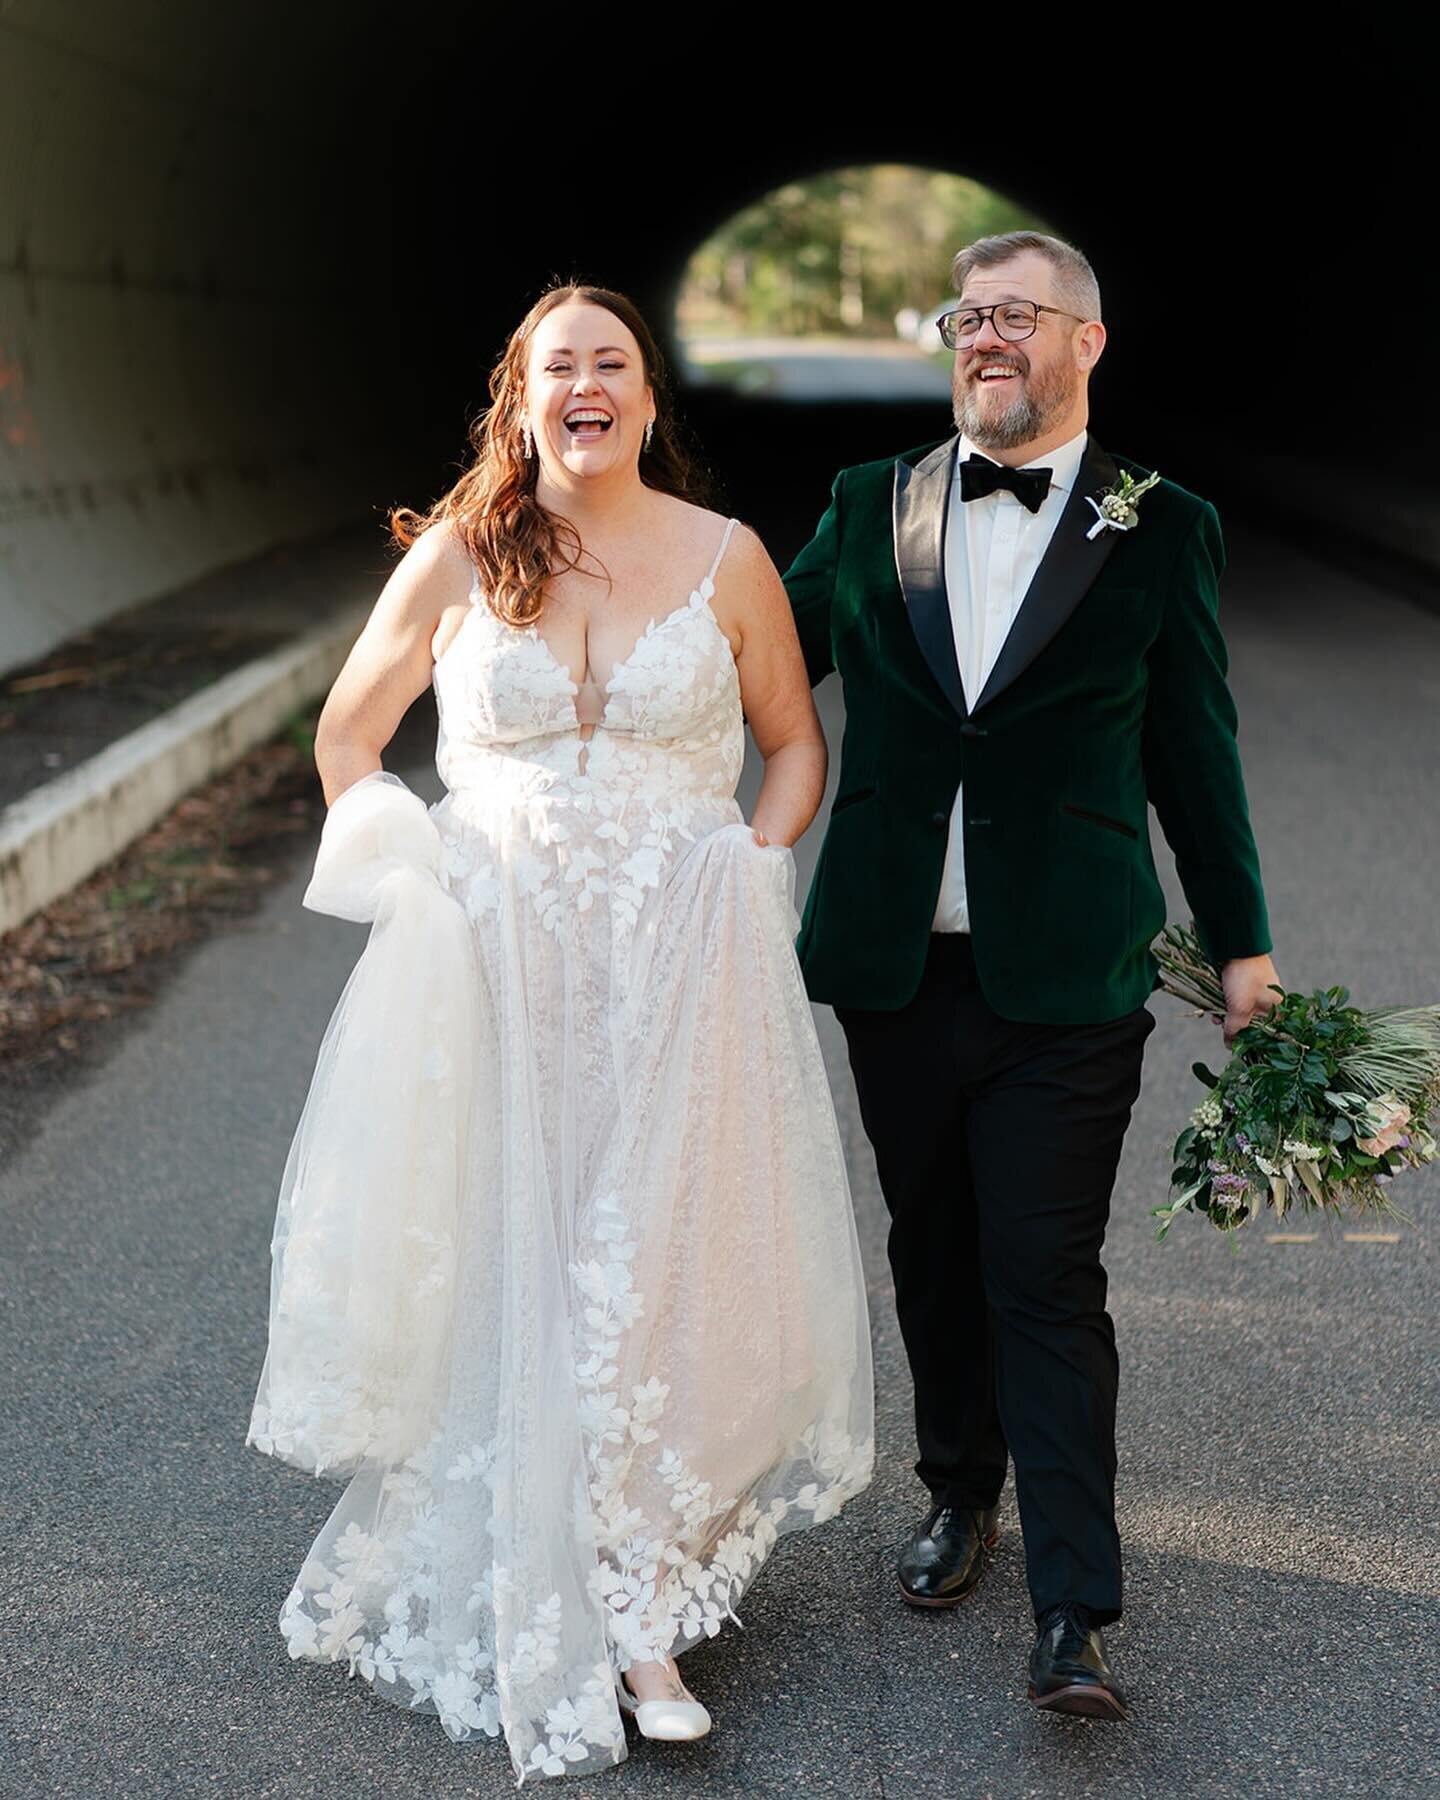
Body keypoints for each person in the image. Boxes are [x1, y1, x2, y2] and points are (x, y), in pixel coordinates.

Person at [246, 282, 874, 1784]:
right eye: (557, 368)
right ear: (520, 401)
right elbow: (348, 735)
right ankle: (546, 1557)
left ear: (648, 400)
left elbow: (794, 747)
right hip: (500, 963)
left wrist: (750, 861)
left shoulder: (727, 560)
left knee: (648, 1262)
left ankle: (641, 1597)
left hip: (680, 961)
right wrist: (400, 871)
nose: (585, 385)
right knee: (518, 1251)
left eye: (612, 364)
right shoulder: (464, 554)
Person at [780, 231, 1278, 1719]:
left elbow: (1196, 747)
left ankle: (1075, 1603)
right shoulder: (870, 504)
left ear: (1086, 344)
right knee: (932, 1250)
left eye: (1016, 316)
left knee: (1044, 1274)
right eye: (966, 316)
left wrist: (1241, 937)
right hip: (892, 964)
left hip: (1067, 972)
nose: (985, 337)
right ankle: (959, 1491)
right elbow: (759, 664)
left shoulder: (1161, 521)